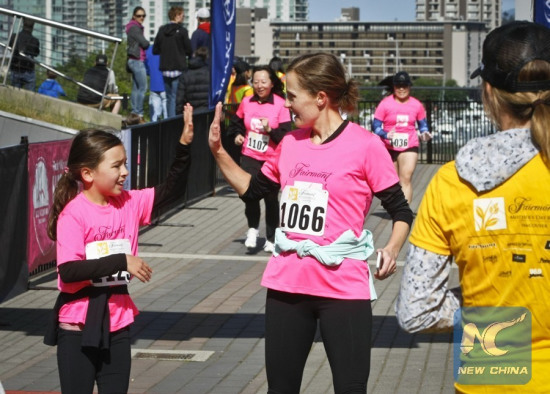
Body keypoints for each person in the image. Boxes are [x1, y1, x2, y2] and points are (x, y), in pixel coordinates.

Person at [208, 53, 412, 392]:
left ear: (321, 98)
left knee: (350, 386)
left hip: (342, 286)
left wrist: (392, 247)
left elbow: (400, 209)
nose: (287, 105)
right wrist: (218, 151)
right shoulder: (289, 143)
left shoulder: (365, 145)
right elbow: (253, 190)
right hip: (287, 284)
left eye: (291, 95)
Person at [395, 21, 550, 393]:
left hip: (497, 363)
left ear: (489, 92)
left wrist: (491, 315)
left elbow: (417, 309)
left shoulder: (455, 180)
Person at [43, 104, 195, 393]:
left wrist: (184, 146)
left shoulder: (128, 202)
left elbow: (173, 191)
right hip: (78, 327)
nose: (125, 172)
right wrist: (121, 261)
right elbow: (70, 270)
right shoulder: (74, 214)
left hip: (118, 324)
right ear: (87, 173)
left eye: (124, 163)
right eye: (116, 166)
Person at [226, 65, 291, 253]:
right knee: (249, 194)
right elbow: (236, 124)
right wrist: (238, 135)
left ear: (271, 83)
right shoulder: (247, 102)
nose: (259, 85)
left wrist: (271, 130)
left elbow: (287, 136)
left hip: (272, 158)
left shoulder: (280, 104)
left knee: (271, 199)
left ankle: (271, 237)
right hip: (249, 155)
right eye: (256, 82)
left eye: (263, 82)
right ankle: (253, 229)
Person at [372, 71, 431, 203]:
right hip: (389, 146)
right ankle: (396, 208)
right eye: (398, 86)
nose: (402, 89)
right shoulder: (385, 104)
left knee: (406, 178)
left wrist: (424, 132)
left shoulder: (416, 105)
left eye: (405, 85)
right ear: (394, 87)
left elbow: (422, 124)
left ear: (409, 87)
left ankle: (405, 213)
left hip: (409, 144)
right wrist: (385, 134)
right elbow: (375, 126)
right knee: (393, 181)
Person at [153, 6, 193, 118]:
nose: (183, 18)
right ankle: (172, 120)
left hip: (165, 68)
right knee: (176, 97)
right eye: (182, 15)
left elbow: (155, 49)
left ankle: (169, 118)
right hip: (178, 68)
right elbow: (189, 50)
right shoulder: (182, 32)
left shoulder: (161, 31)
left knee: (169, 96)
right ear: (177, 15)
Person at [125, 6, 150, 119]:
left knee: (136, 88)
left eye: (143, 15)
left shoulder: (133, 27)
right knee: (143, 87)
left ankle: (134, 112)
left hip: (133, 60)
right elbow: (144, 43)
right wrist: (147, 43)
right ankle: (138, 112)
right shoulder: (135, 28)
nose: (142, 18)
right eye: (139, 16)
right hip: (137, 60)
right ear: (134, 16)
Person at [176, 46, 210, 114]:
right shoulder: (210, 73)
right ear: (206, 57)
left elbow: (180, 98)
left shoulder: (185, 74)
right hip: (207, 111)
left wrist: (179, 113)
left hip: (190, 112)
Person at [9, 18, 40, 91]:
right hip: (28, 70)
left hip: (15, 68)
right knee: (30, 96)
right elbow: (36, 53)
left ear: (23, 24)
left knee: (15, 94)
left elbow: (10, 48)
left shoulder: (14, 37)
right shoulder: (35, 40)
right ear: (33, 27)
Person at [145, 46, 168, 122]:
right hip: (166, 85)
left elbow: (146, 69)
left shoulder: (149, 50)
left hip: (153, 85)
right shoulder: (168, 48)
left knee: (154, 116)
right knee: (167, 115)